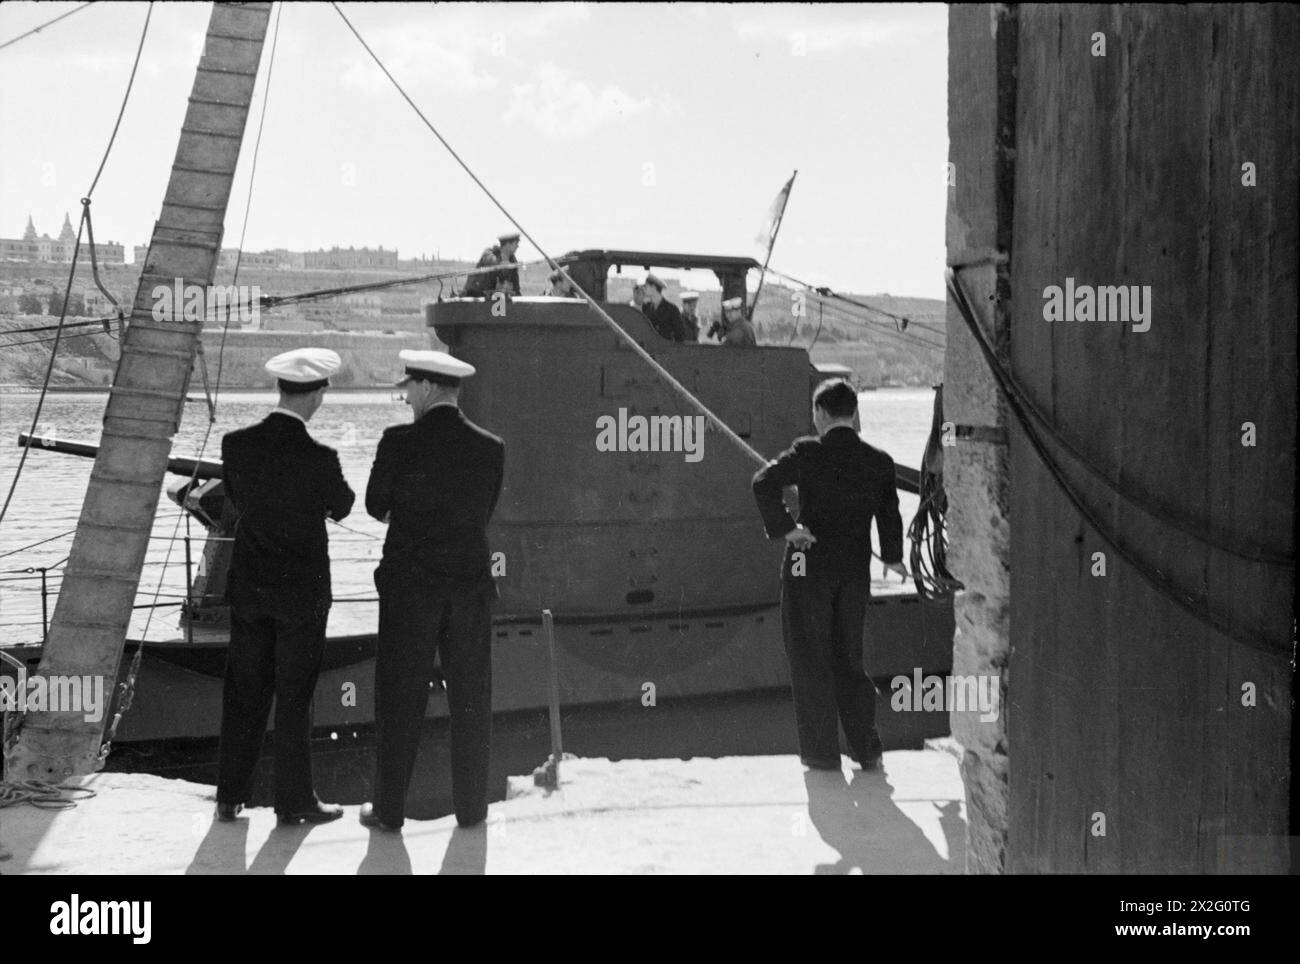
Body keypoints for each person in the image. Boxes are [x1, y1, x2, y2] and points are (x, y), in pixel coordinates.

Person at [361, 349, 506, 831]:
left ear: (426, 388)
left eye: (408, 389)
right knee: (470, 699)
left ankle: (388, 811)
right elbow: (481, 512)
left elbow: (374, 506)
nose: (405, 398)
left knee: (400, 699)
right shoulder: (491, 447)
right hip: (468, 590)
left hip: (410, 591)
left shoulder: (397, 442)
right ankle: (471, 809)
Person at [216, 347, 354, 825]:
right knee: (294, 699)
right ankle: (293, 801)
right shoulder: (321, 457)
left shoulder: (235, 445)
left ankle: (229, 796)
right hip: (302, 594)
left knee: (243, 693)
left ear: (280, 388)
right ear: (317, 395)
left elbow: (236, 499)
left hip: (250, 589)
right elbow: (343, 505)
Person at [750, 378, 907, 771]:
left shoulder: (807, 451)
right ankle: (866, 748)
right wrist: (893, 558)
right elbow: (890, 514)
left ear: (819, 414)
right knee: (850, 658)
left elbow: (763, 482)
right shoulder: (879, 460)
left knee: (808, 657)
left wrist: (788, 528)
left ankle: (822, 754)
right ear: (853, 413)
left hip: (808, 567)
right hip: (854, 572)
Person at [463, 231, 521, 297]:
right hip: (475, 294)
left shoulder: (513, 260)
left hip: (496, 297)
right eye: (516, 243)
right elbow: (491, 263)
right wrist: (502, 265)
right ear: (508, 244)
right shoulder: (489, 253)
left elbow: (516, 285)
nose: (517, 246)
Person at [641, 273, 685, 341]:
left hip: (665, 348)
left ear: (653, 287)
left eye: (646, 287)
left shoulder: (671, 309)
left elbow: (680, 334)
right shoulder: (646, 307)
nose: (644, 289)